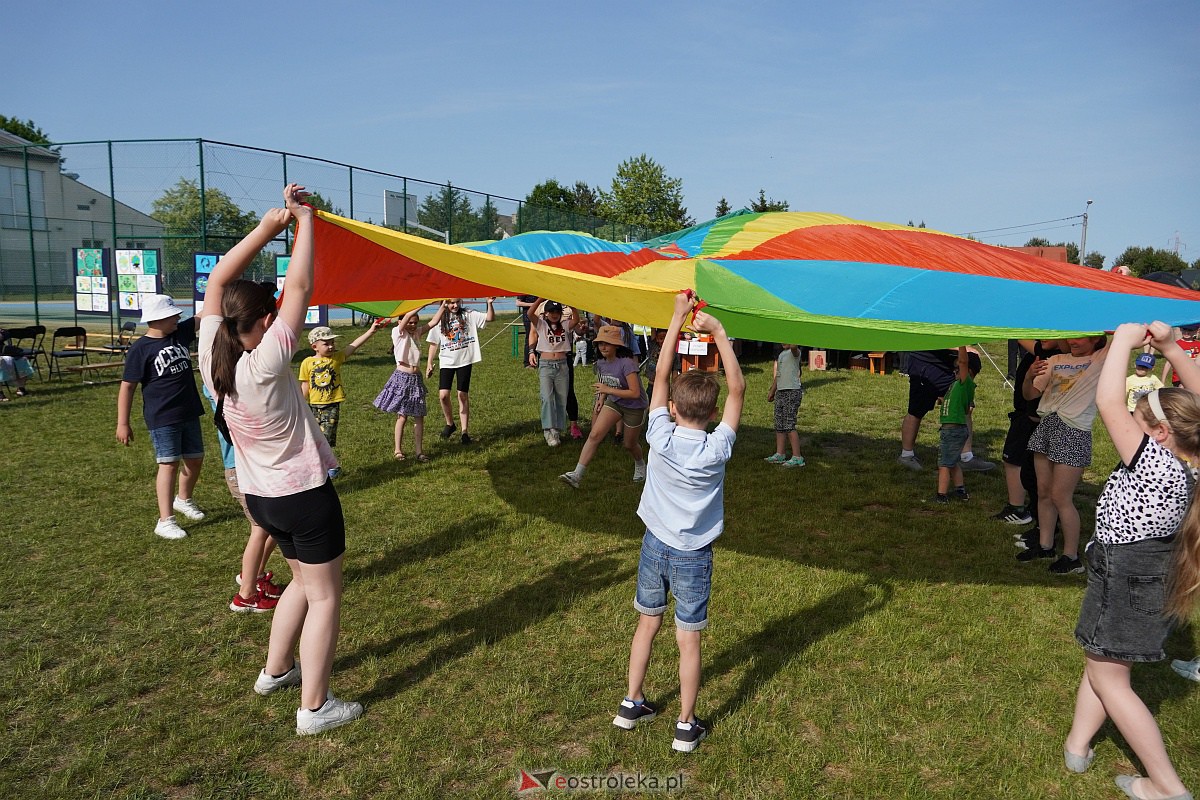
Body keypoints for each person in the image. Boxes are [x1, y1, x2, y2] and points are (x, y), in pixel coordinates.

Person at [199, 183, 362, 736]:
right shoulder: (268, 360)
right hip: (303, 499)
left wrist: (271, 228)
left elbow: (220, 280)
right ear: (266, 321)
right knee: (324, 596)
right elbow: (299, 283)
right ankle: (315, 708)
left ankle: (275, 672)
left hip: (263, 500)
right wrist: (304, 221)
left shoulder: (210, 351)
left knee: (299, 581)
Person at [1063, 321, 1199, 800]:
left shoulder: (1155, 463)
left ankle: (1165, 785)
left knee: (1110, 677)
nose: (1129, 428)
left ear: (1160, 433)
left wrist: (1120, 341)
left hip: (1124, 575)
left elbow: (1104, 404)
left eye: (1138, 423)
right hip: (1153, 574)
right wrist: (1171, 349)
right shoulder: (1192, 460)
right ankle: (1078, 746)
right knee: (1104, 660)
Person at [612, 291, 744, 754]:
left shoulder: (657, 433)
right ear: (712, 415)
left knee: (646, 623)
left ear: (672, 409)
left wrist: (674, 319)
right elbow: (738, 389)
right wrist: (719, 334)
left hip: (654, 545)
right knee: (688, 640)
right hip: (694, 554)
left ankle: (632, 703)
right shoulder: (717, 448)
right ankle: (686, 726)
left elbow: (661, 373)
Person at [116, 294, 206, 540]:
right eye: (172, 315)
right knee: (168, 464)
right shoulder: (140, 349)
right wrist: (123, 422)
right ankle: (165, 520)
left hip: (189, 411)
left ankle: (183, 500)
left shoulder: (179, 334)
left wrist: (222, 286)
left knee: (195, 459)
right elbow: (128, 386)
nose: (178, 317)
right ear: (157, 319)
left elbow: (203, 315)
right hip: (163, 416)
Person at [1016, 335, 1109, 575]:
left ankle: (1072, 556)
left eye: (1081, 338)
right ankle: (1046, 545)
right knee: (1043, 492)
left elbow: (1119, 335)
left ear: (1095, 340)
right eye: (1072, 338)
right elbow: (1030, 395)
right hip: (1047, 425)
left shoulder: (1099, 360)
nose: (1074, 342)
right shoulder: (1056, 359)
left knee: (1060, 496)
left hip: (1074, 430)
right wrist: (1028, 375)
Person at [202, 385, 284, 612]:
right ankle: (246, 594)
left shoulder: (229, 380)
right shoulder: (226, 385)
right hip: (242, 468)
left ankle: (254, 576)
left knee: (276, 525)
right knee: (261, 527)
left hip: (254, 465)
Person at [558, 325, 647, 488]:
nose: (603, 347)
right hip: (615, 402)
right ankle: (577, 475)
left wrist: (608, 390)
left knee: (629, 444)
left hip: (635, 406)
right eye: (600, 344)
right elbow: (605, 382)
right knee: (594, 435)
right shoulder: (601, 363)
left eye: (607, 343)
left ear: (617, 345)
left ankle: (641, 464)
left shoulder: (627, 363)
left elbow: (635, 393)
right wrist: (602, 397)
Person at [299, 320, 385, 478]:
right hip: (313, 407)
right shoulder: (307, 363)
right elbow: (305, 384)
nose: (331, 346)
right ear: (314, 347)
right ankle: (325, 466)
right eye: (326, 343)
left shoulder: (337, 358)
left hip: (331, 406)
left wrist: (371, 331)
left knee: (325, 438)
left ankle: (329, 466)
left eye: (332, 342)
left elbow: (353, 346)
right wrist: (300, 404)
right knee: (313, 438)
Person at [998, 340, 1065, 528]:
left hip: (1033, 420)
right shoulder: (1046, 354)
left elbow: (1033, 343)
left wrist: (1014, 324)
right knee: (1031, 473)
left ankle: (1018, 510)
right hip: (1028, 417)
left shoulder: (1050, 356)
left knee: (1019, 464)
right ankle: (1038, 521)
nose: (1042, 338)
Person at [896, 349, 994, 473]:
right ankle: (906, 455)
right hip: (925, 364)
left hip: (950, 365)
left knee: (966, 408)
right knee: (916, 410)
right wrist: (963, 347)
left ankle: (966, 458)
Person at [373, 305, 443, 462]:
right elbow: (405, 319)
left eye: (415, 322)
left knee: (419, 416)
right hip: (402, 377)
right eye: (410, 322)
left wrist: (443, 305)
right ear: (401, 322)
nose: (412, 325)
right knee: (402, 416)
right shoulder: (398, 333)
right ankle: (398, 450)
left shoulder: (417, 333)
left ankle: (419, 451)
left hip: (416, 378)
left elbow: (433, 322)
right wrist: (421, 305)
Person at [426, 297, 496, 445]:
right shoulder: (440, 318)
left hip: (465, 360)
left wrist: (489, 303)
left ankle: (465, 432)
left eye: (457, 302)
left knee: (462, 395)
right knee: (443, 395)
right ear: (445, 303)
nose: (455, 305)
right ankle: (450, 424)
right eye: (451, 302)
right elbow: (433, 342)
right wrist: (429, 362)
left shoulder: (468, 314)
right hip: (446, 361)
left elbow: (490, 318)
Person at [930, 346, 979, 503]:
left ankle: (941, 495)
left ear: (968, 371)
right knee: (952, 461)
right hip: (952, 429)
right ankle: (960, 490)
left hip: (953, 430)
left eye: (957, 369)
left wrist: (962, 344)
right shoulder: (958, 385)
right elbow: (963, 407)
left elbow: (963, 361)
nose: (955, 372)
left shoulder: (966, 383)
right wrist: (944, 402)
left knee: (944, 463)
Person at [526, 298, 575, 447]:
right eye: (551, 311)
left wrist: (573, 304)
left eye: (557, 312)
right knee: (546, 397)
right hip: (546, 365)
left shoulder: (565, 325)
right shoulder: (541, 324)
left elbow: (577, 319)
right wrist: (540, 298)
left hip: (562, 365)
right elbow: (529, 313)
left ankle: (557, 430)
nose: (554, 314)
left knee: (561, 398)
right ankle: (548, 429)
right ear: (545, 313)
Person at [764, 343, 805, 467]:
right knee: (779, 424)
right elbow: (778, 375)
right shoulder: (781, 354)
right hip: (781, 392)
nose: (783, 342)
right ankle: (780, 453)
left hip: (792, 392)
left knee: (789, 424)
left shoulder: (795, 352)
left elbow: (793, 346)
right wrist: (772, 390)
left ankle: (797, 457)